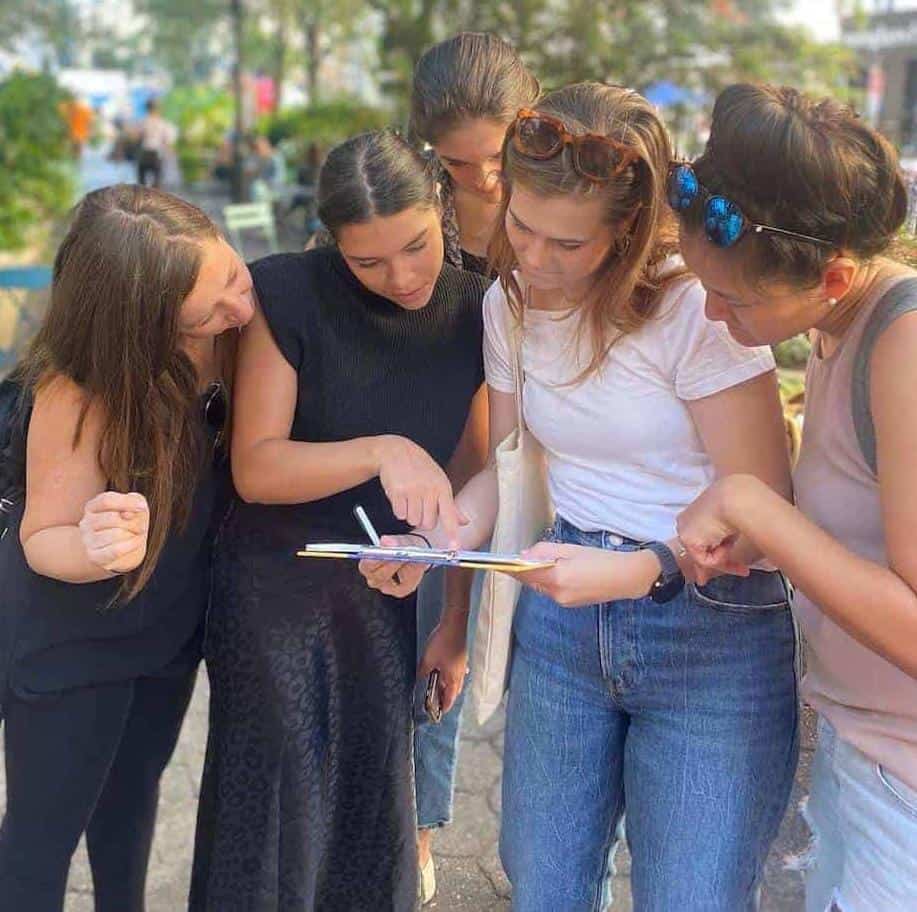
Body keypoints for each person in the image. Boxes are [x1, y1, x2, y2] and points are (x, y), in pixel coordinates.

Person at [362, 83, 798, 911]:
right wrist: (441, 538)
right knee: (544, 884)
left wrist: (639, 571)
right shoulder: (509, 302)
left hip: (710, 635)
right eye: (520, 225)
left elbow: (765, 516)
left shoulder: (694, 309)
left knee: (689, 895)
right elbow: (511, 464)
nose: (532, 256)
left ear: (628, 236)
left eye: (567, 243)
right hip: (562, 624)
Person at [189, 129, 489, 911]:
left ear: (440, 208)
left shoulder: (477, 310)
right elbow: (255, 469)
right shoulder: (288, 292)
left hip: (387, 591)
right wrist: (382, 449)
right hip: (273, 590)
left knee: (370, 809)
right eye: (368, 261)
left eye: (416, 247)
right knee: (275, 819)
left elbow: (470, 481)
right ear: (333, 244)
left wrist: (452, 626)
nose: (401, 276)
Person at [668, 84, 917, 911]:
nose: (710, 312)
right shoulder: (841, 321)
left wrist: (753, 504)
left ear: (832, 272)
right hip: (864, 746)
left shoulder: (904, 347)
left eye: (734, 299)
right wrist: (773, 539)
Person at [0, 184, 254, 911]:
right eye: (208, 310)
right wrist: (94, 544)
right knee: (41, 839)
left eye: (232, 274)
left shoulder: (234, 334)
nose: (238, 308)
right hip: (73, 641)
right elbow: (40, 537)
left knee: (131, 804)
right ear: (143, 326)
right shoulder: (77, 394)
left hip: (167, 633)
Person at [407, 30, 539, 902]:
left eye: (494, 157)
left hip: (550, 448)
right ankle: (416, 830)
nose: (481, 180)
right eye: (457, 165)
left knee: (539, 661)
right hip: (446, 444)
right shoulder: (420, 206)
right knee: (436, 639)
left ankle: (548, 839)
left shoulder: (578, 189)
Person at [136, 98, 178, 189]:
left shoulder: (142, 122)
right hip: (157, 154)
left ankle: (141, 200)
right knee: (157, 182)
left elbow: (138, 138)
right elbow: (167, 142)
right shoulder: (163, 123)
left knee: (141, 183)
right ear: (159, 109)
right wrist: (172, 153)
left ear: (147, 108)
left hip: (144, 152)